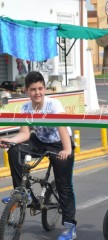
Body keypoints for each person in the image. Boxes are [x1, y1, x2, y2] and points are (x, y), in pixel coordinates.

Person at [0, 71, 77, 240]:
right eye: (33, 89)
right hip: (40, 141)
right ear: (27, 91)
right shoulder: (26, 107)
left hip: (60, 143)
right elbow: (25, 134)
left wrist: (67, 150)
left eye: (41, 88)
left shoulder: (53, 105)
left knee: (64, 186)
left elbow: (62, 128)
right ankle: (21, 192)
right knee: (14, 149)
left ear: (44, 89)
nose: (37, 93)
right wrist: (11, 140)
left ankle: (70, 227)